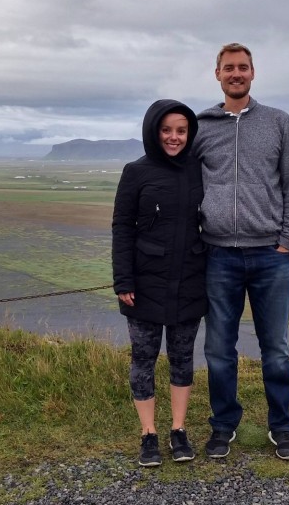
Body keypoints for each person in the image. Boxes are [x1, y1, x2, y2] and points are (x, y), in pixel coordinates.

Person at [192, 43, 289, 460]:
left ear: (253, 73)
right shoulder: (201, 126)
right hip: (217, 256)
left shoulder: (278, 122)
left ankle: (283, 427)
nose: (236, 74)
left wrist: (287, 241)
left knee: (275, 347)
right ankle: (223, 426)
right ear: (217, 74)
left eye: (243, 67)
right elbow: (186, 184)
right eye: (228, 68)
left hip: (269, 256)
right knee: (219, 349)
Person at [111, 99, 208, 467]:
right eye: (166, 130)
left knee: (183, 358)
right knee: (143, 359)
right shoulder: (135, 172)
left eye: (181, 130)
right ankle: (148, 433)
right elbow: (122, 228)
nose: (174, 137)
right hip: (144, 285)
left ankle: (179, 430)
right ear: (153, 131)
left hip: (189, 281)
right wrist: (123, 280)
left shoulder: (199, 170)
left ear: (190, 133)